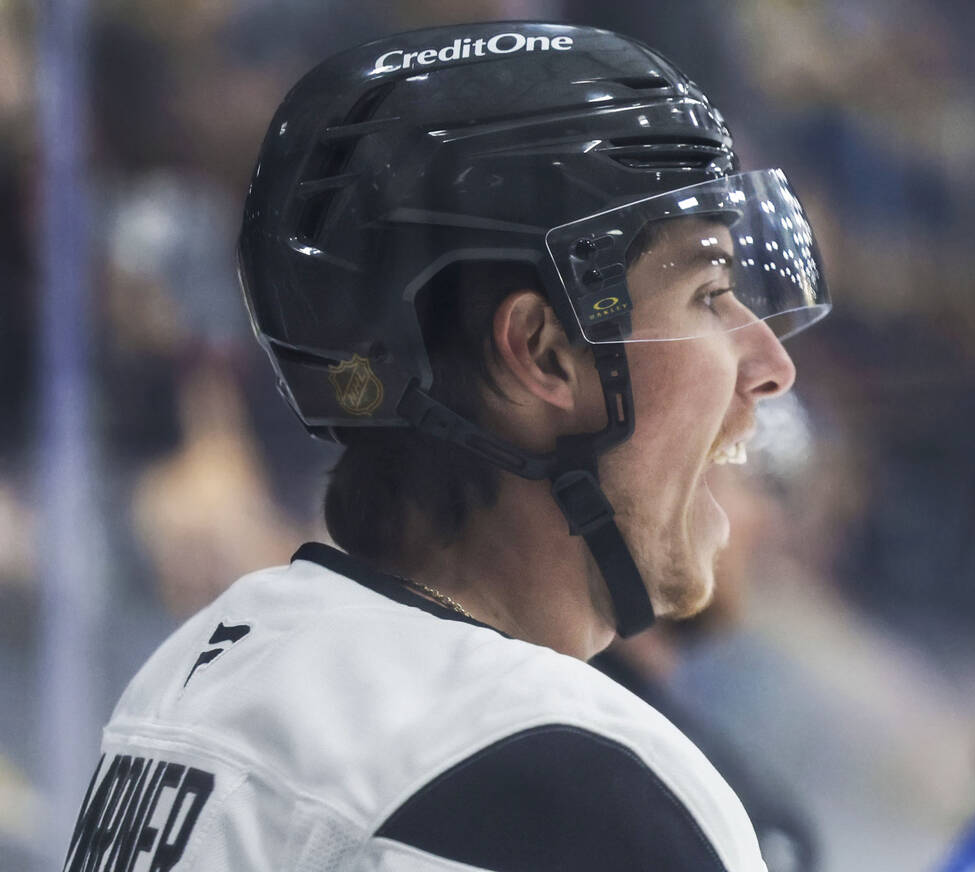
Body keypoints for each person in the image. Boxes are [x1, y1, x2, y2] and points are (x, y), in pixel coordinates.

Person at [60, 22, 830, 872]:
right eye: (709, 292)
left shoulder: (190, 679)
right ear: (541, 353)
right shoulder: (581, 783)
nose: (771, 365)